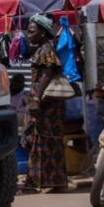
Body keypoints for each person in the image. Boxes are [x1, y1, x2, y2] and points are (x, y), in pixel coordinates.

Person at [20, 13, 69, 193]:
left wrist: (36, 100)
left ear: (42, 33)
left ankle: (36, 183)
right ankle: (55, 182)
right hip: (43, 100)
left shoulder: (46, 50)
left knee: (41, 139)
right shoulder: (43, 49)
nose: (28, 35)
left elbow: (46, 75)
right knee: (42, 140)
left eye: (32, 32)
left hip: (45, 102)